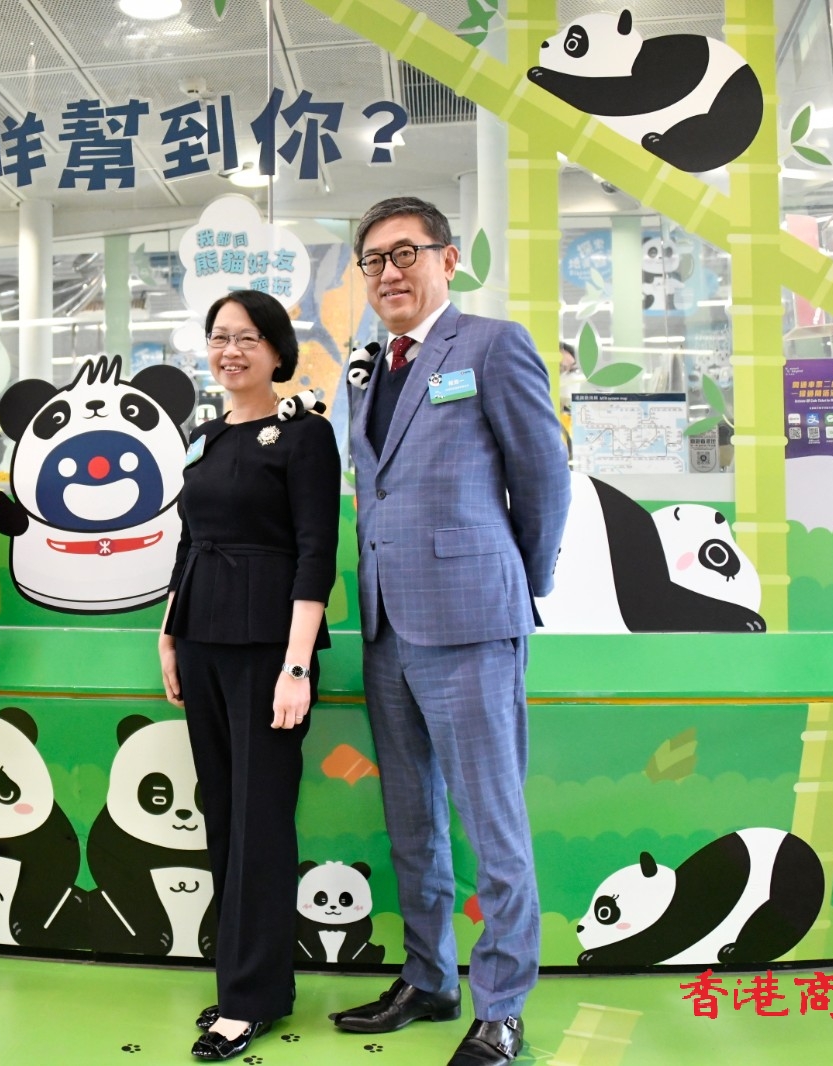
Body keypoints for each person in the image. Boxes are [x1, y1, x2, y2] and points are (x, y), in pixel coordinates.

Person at [331, 197, 570, 1066]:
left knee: (490, 824)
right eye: (374, 260)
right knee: (412, 822)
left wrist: (518, 583)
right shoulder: (365, 369)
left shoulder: (492, 346)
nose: (389, 272)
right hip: (386, 625)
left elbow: (543, 478)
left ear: (448, 258)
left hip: (472, 619)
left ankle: (501, 1006)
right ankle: (429, 979)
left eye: (406, 253)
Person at [158, 289, 340, 1061]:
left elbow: (316, 553)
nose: (229, 351)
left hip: (269, 647)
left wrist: (297, 665)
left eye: (246, 338)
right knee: (224, 816)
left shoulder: (305, 436)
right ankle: (246, 980)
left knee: (260, 819)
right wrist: (168, 633)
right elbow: (187, 539)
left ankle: (251, 999)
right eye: (218, 337)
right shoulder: (204, 438)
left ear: (275, 351)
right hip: (201, 636)